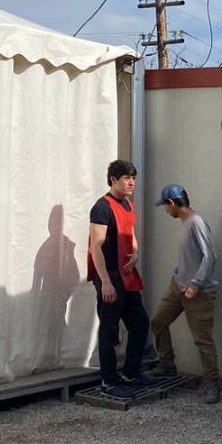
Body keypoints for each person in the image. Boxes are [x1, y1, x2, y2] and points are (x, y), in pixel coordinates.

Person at [149, 183, 221, 404]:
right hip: (178, 286)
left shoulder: (196, 223)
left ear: (172, 203)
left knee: (202, 340)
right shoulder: (184, 224)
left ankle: (212, 383)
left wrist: (196, 284)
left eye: (165, 206)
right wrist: (178, 273)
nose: (165, 210)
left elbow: (209, 256)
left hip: (197, 292)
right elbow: (189, 256)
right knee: (158, 321)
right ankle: (167, 365)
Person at [88, 160, 150, 397]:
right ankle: (108, 381)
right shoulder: (102, 207)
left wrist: (135, 252)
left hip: (126, 274)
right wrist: (104, 281)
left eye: (133, 178)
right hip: (110, 275)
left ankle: (131, 374)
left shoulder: (127, 204)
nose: (131, 182)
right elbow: (96, 246)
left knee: (140, 323)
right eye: (126, 178)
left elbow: (131, 234)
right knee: (109, 329)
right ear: (113, 179)